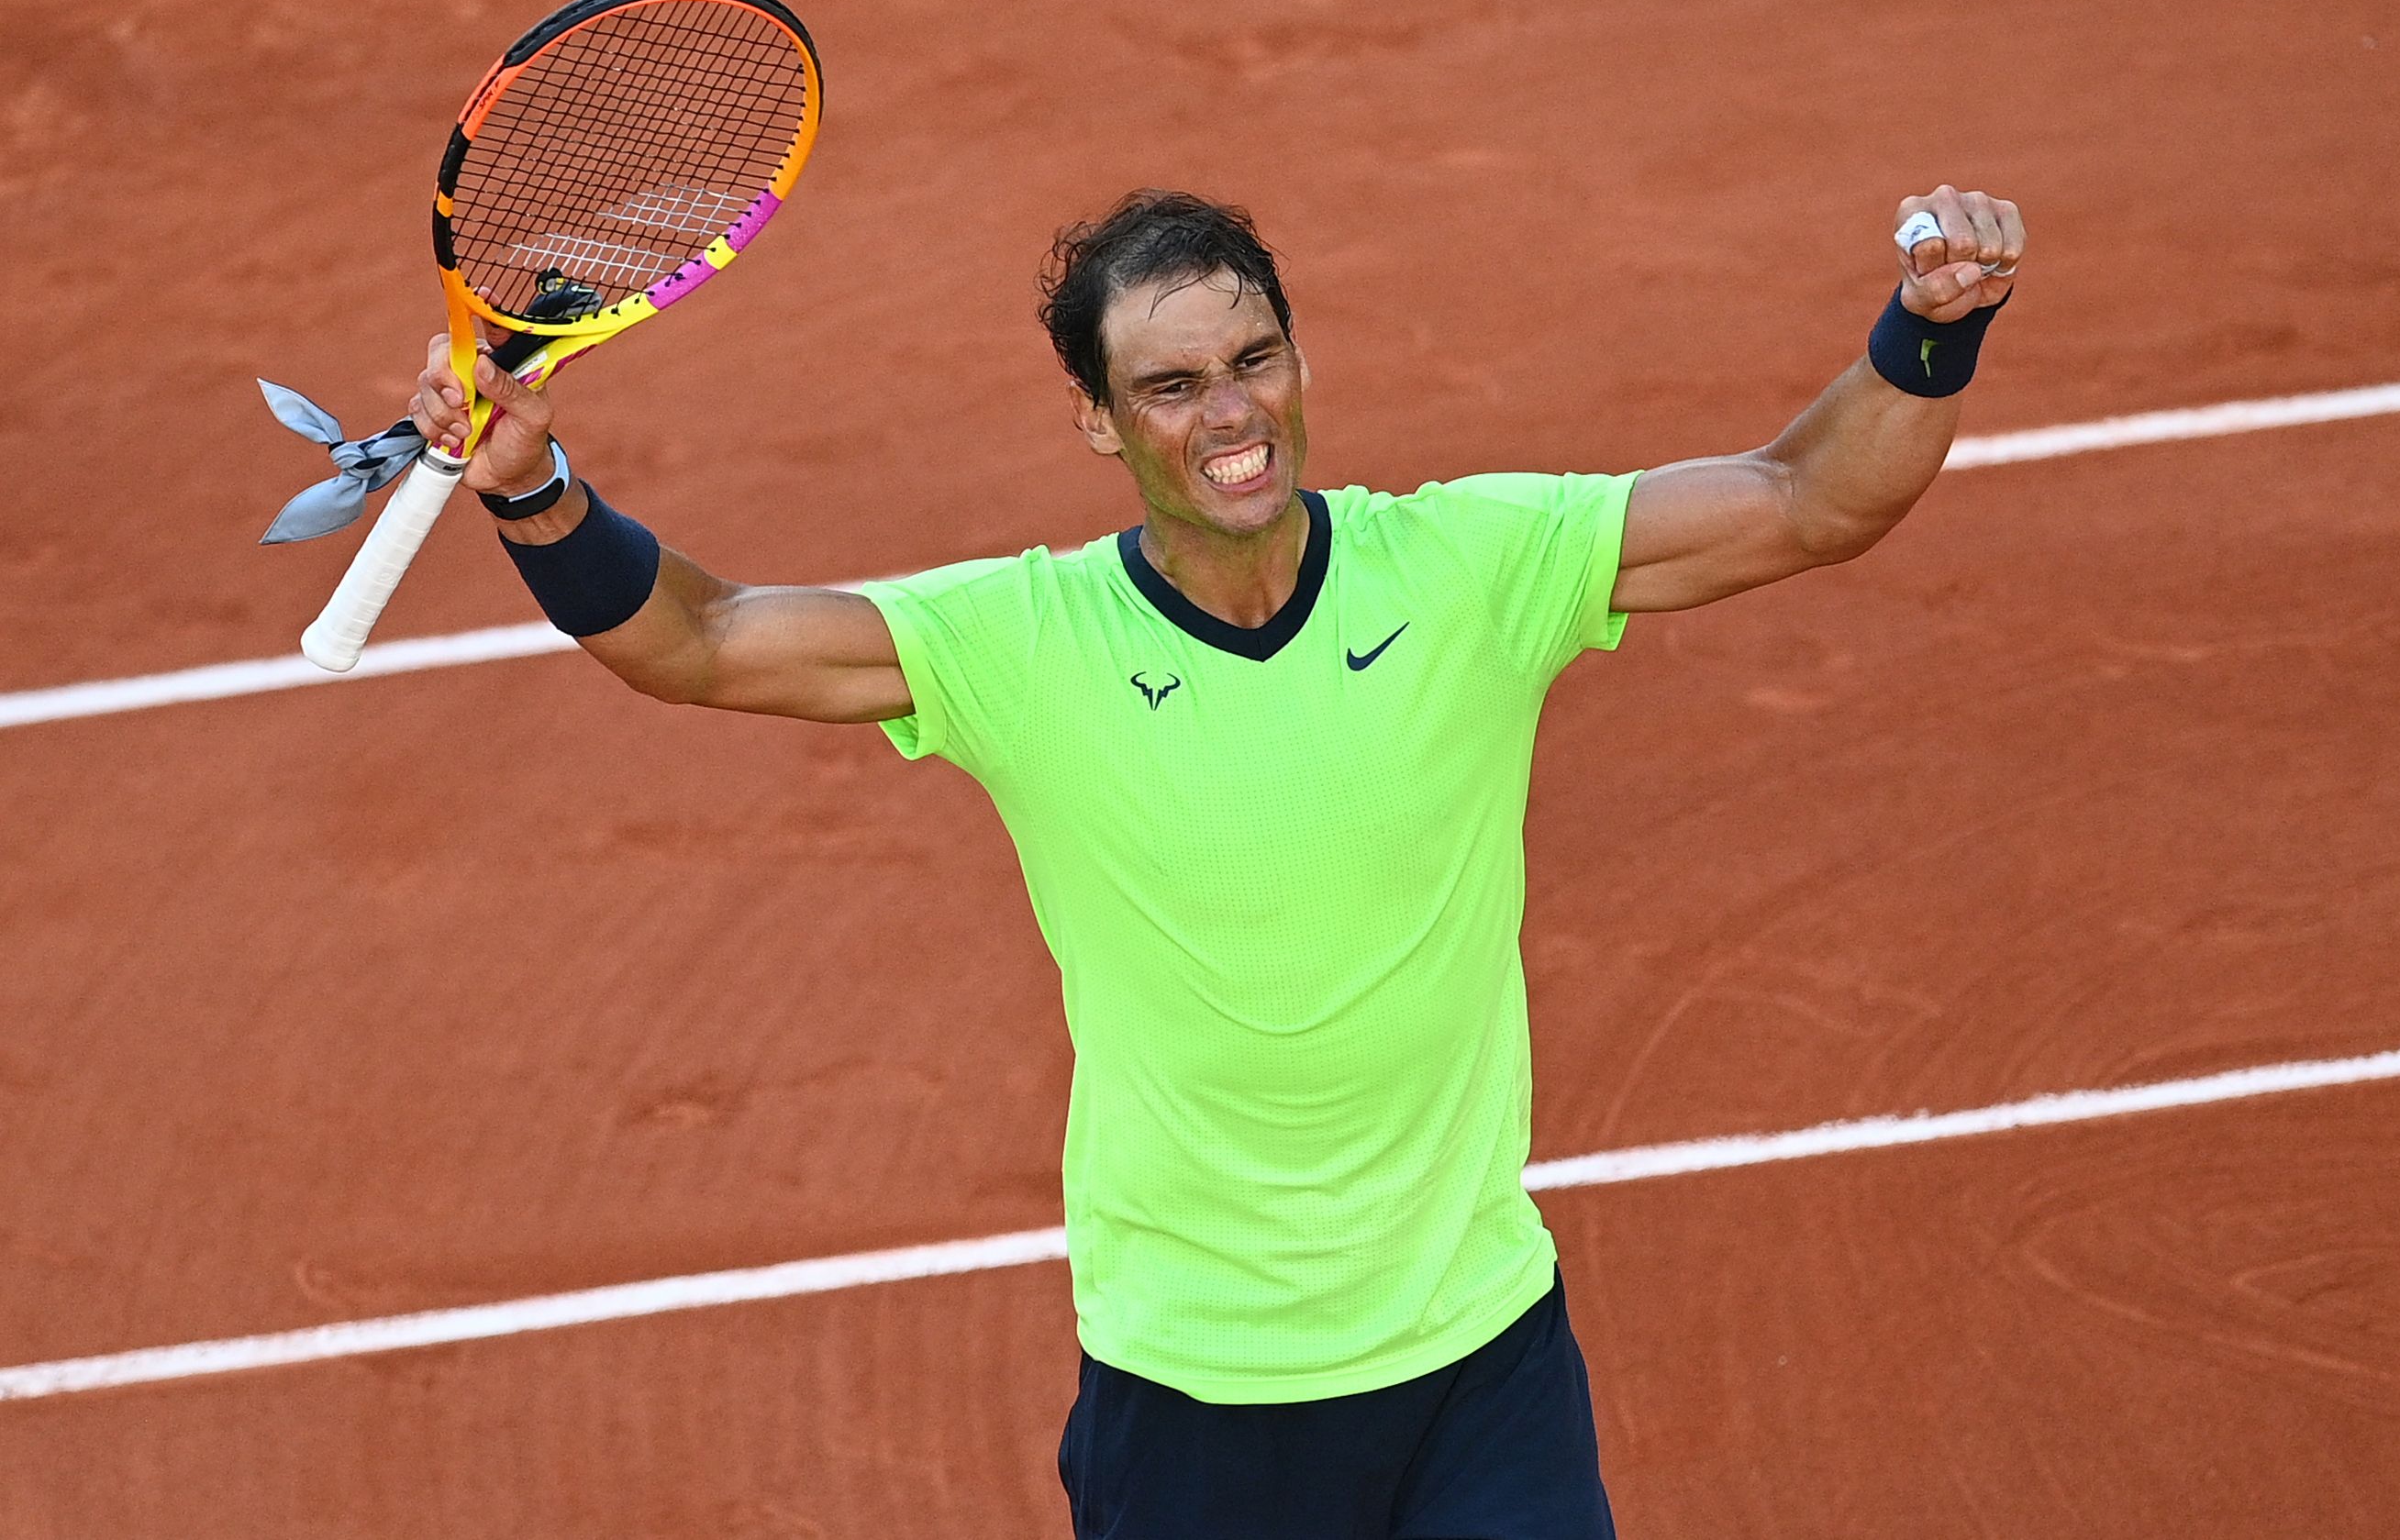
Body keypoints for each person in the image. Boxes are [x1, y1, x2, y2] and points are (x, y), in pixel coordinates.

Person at [409, 183, 2026, 1539]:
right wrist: (540, 494)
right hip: (1198, 1390)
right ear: (1095, 419)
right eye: (1171, 386)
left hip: (1477, 1350)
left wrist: (1928, 325)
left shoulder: (1471, 565)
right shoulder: (1020, 643)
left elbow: (1805, 498)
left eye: (1253, 358)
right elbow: (701, 641)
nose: (1231, 411)